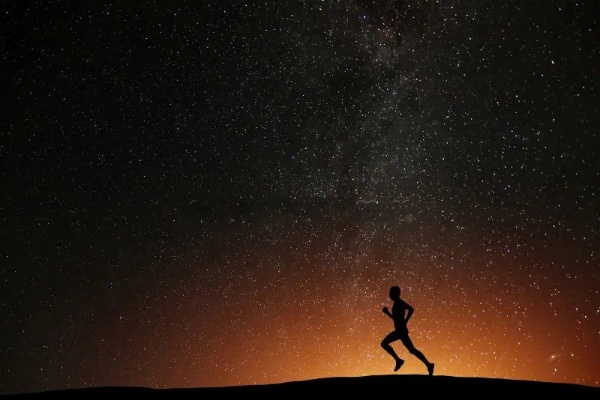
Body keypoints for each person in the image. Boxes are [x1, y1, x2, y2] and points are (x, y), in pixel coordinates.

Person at [381, 285, 435, 375]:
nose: (389, 295)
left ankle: (399, 360)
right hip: (401, 330)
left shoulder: (399, 303)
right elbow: (404, 313)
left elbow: (408, 311)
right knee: (412, 350)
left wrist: (404, 319)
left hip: (400, 331)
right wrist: (403, 319)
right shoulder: (398, 303)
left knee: (384, 343)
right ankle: (429, 365)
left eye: (391, 293)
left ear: (395, 293)